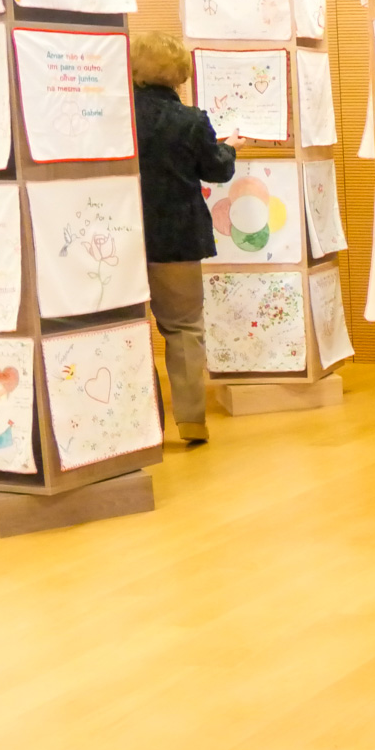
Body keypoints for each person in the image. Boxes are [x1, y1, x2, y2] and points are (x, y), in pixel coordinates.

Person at [130, 30, 237, 445]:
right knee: (184, 329)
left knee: (127, 329)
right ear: (179, 73)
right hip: (176, 239)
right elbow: (217, 170)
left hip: (119, 238)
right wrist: (230, 147)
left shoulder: (116, 117)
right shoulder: (190, 120)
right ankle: (191, 421)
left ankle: (138, 427)